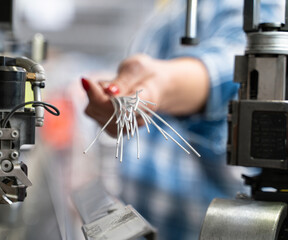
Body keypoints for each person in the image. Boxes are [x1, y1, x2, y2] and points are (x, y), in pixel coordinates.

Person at [81, 0, 283, 239]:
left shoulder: (246, 6)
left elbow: (234, 64)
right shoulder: (168, 12)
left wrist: (159, 86)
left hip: (207, 227)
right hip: (147, 220)